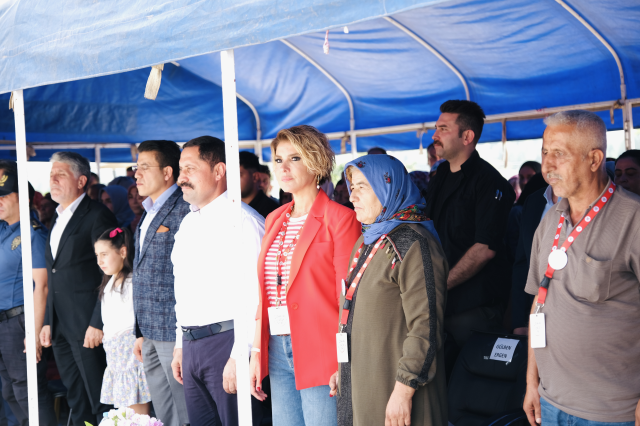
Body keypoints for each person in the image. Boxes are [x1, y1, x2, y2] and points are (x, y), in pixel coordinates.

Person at [523, 110, 640, 425]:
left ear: (594, 159)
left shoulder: (634, 218)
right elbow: (539, 303)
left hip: (612, 412)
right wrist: (531, 381)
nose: (547, 164)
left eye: (559, 154)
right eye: (545, 152)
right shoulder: (549, 218)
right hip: (550, 402)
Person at [249, 125, 360, 426]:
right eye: (278, 159)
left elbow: (349, 297)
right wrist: (257, 350)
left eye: (294, 158)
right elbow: (266, 292)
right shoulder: (274, 218)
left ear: (316, 161)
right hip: (276, 345)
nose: (283, 167)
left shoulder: (341, 218)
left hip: (320, 348)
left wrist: (343, 360)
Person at [329, 155, 447, 426]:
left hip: (394, 386)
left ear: (388, 188)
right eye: (352, 187)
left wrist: (405, 389)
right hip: (363, 379)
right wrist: (343, 369)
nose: (353, 196)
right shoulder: (367, 239)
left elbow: (426, 327)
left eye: (363, 187)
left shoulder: (413, 243)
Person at [170, 136, 265, 426]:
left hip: (229, 342)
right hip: (192, 343)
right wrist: (179, 342)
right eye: (180, 169)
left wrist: (240, 354)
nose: (180, 178)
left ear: (219, 171)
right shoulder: (187, 223)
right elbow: (182, 288)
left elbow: (257, 294)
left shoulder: (243, 220)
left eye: (189, 168)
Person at [424, 100, 515, 351]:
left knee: (475, 385)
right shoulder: (439, 177)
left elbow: (485, 248)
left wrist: (439, 285)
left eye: (443, 128)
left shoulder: (490, 182)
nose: (435, 135)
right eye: (436, 128)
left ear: (467, 136)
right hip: (436, 304)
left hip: (473, 309)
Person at [39, 152, 118, 426]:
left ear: (81, 180)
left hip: (87, 325)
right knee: (77, 397)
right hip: (61, 325)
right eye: (51, 175)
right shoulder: (58, 217)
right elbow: (55, 272)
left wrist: (97, 322)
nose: (53, 180)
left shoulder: (97, 215)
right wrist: (48, 322)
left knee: (100, 398)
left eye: (60, 174)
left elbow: (110, 273)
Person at [131, 140, 190, 426]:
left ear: (168, 172)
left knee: (184, 408)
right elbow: (142, 273)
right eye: (136, 167)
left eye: (144, 167)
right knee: (164, 411)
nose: (137, 174)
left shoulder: (184, 207)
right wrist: (139, 331)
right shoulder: (148, 210)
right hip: (149, 329)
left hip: (173, 327)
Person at [0, 163, 57, 426]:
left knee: (28, 391)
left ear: (21, 197)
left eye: (4, 195)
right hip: (3, 322)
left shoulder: (33, 235)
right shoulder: (3, 230)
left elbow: (42, 285)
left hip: (20, 320)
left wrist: (33, 334)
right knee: (9, 391)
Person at [95, 227, 151, 413]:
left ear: (123, 251)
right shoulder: (109, 283)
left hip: (130, 354)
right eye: (97, 255)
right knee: (125, 412)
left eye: (104, 254)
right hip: (115, 355)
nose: (100, 260)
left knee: (137, 413)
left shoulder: (132, 281)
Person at [510, 174, 559, 336]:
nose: (551, 161)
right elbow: (523, 264)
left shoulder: (591, 201)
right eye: (545, 152)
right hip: (537, 314)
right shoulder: (535, 200)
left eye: (558, 153)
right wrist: (519, 321)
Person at [240, 151, 279, 218]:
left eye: (238, 175)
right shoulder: (229, 207)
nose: (231, 181)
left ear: (255, 177)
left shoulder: (272, 212)